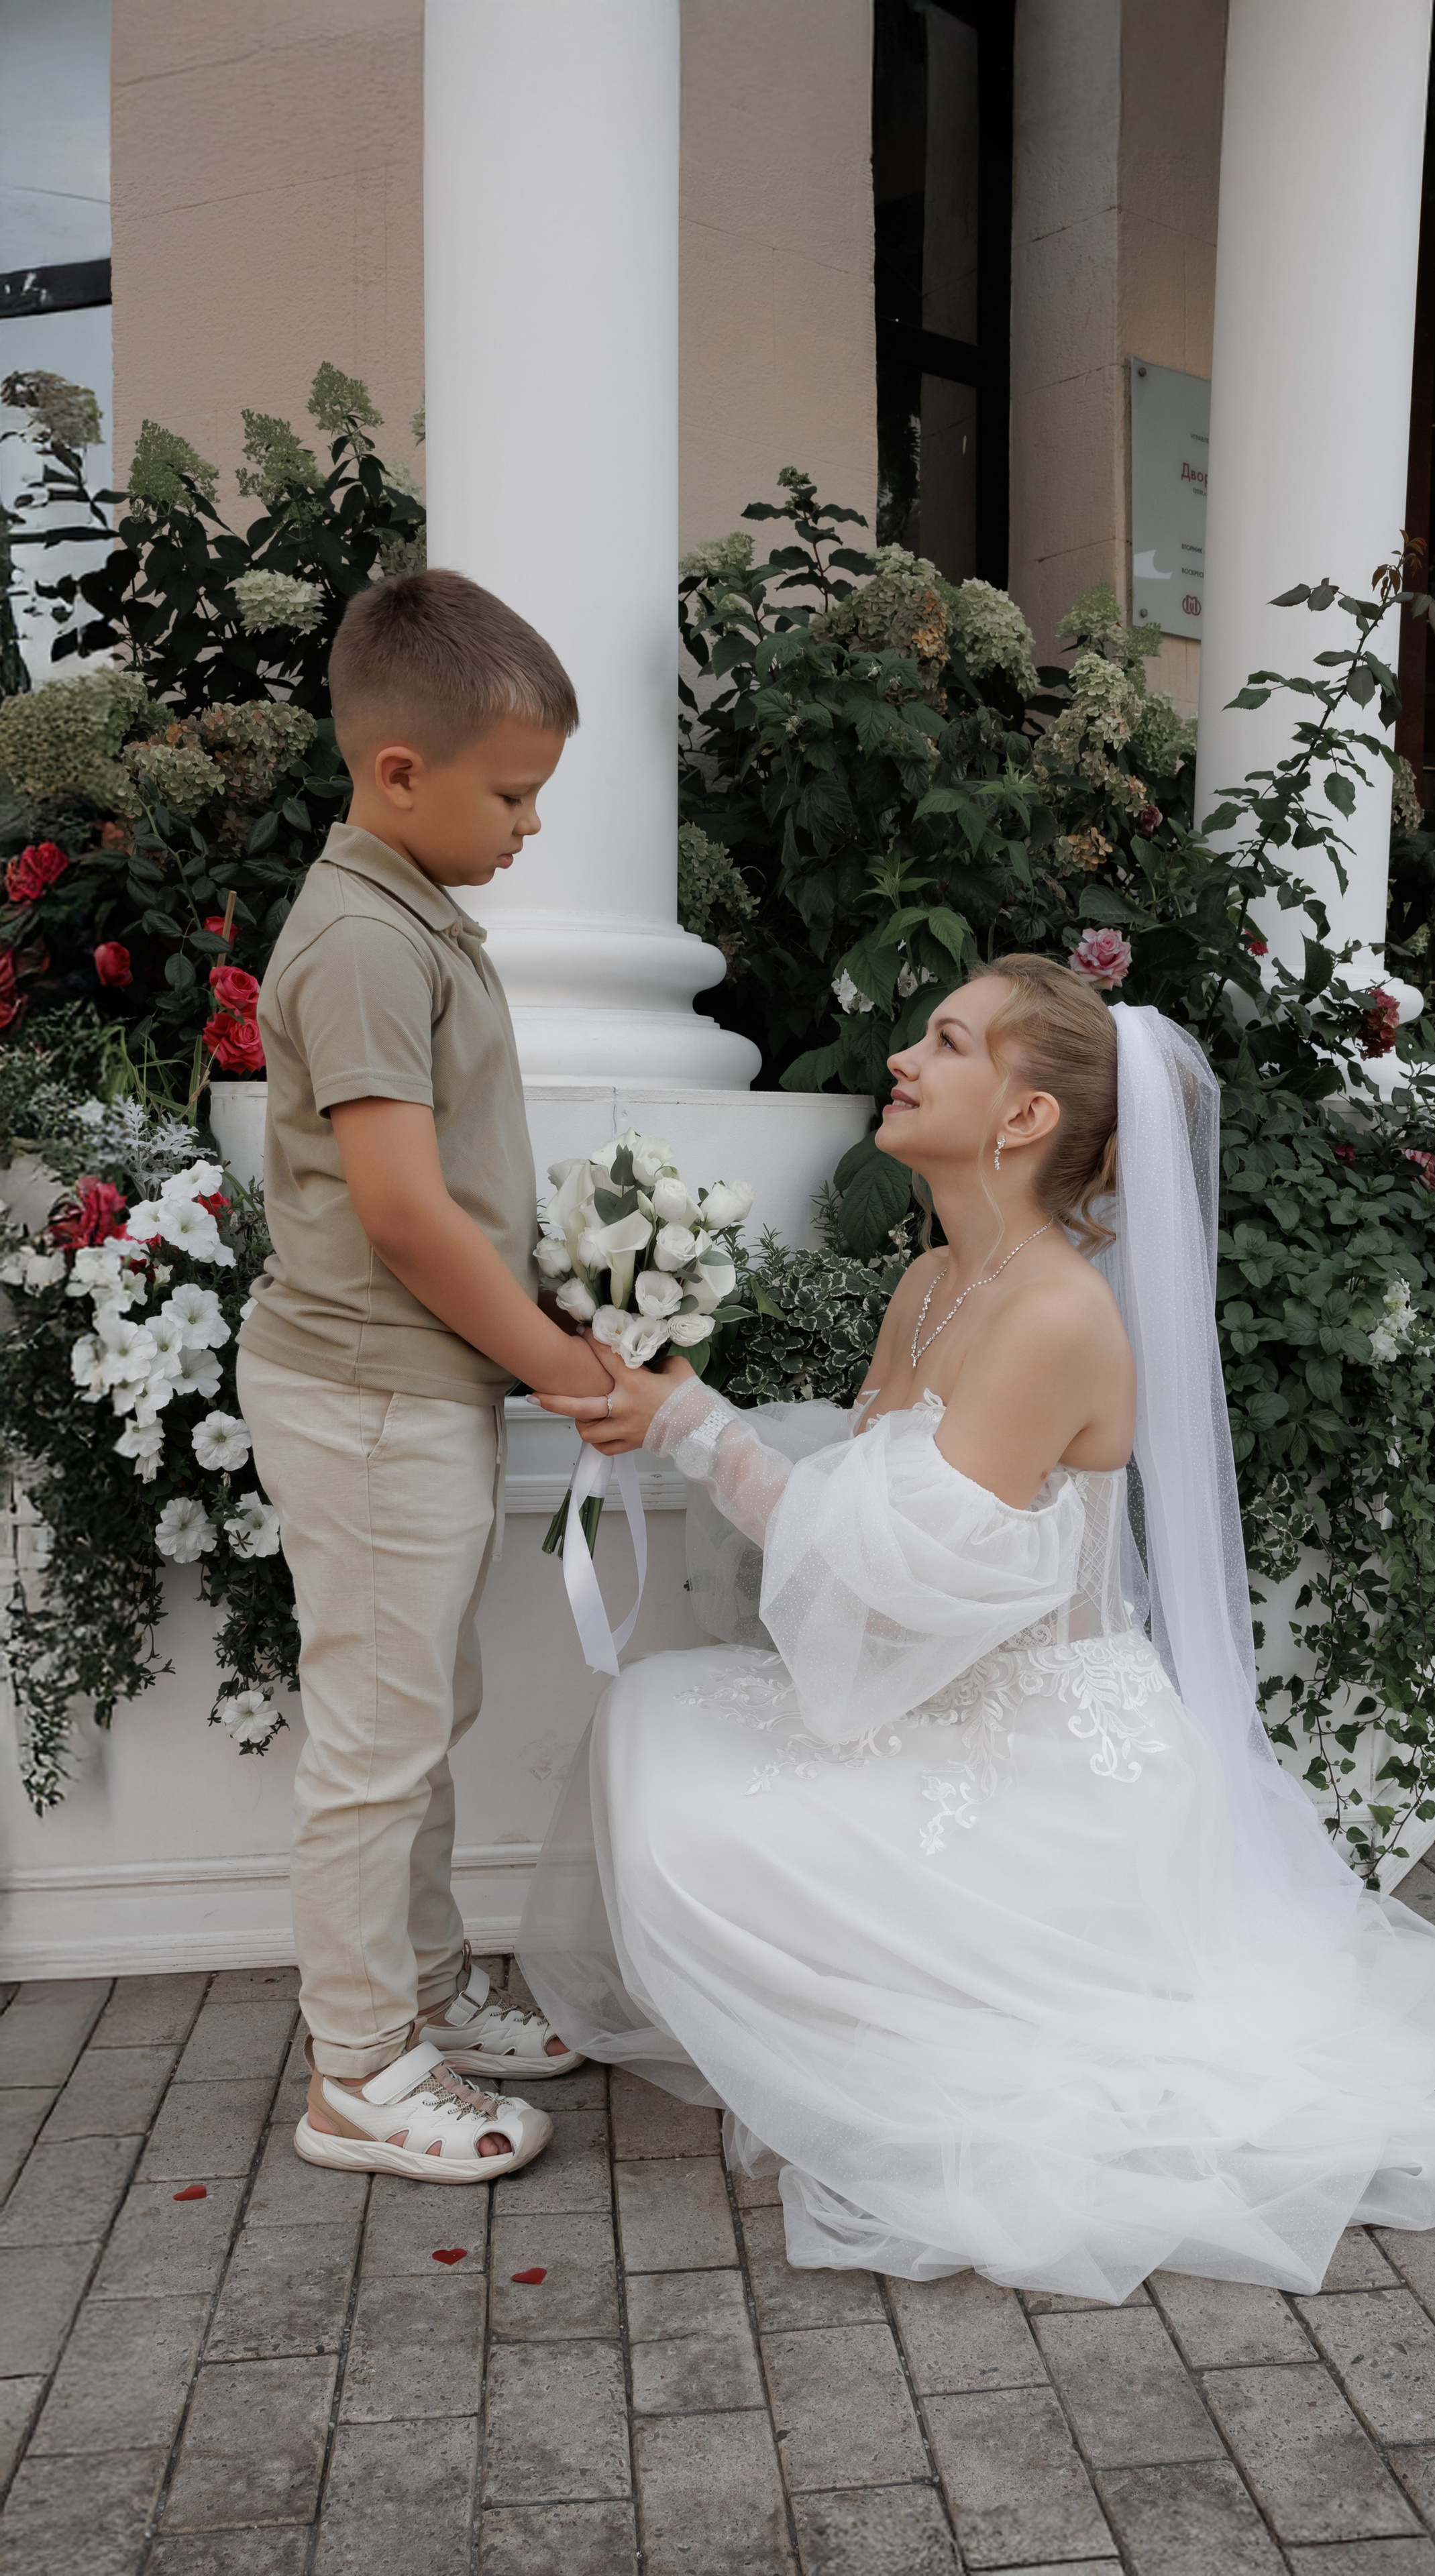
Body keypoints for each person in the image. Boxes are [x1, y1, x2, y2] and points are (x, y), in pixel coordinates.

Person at [519, 955, 1435, 2298]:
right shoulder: (929, 1281)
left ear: (1023, 1117)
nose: (905, 1061)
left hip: (1050, 1760)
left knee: (708, 1809)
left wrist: (693, 1429)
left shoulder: (1053, 1312)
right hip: (944, 1704)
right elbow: (858, 1500)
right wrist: (692, 1414)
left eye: (946, 1042)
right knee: (657, 1728)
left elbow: (891, 1572)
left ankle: (905, 2009)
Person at [238, 569, 609, 2184]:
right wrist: (551, 1357)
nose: (531, 824)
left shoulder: (409, 916)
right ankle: (360, 2072)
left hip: (408, 1394)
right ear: (401, 775)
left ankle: (426, 1995)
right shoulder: (363, 942)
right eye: (514, 793)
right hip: (374, 1395)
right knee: (377, 1747)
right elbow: (399, 1210)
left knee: (418, 1715)